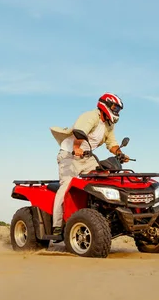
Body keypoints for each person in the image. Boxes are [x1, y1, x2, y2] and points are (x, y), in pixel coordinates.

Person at [49, 93, 129, 235]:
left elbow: (111, 143)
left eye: (118, 109)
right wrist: (76, 148)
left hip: (87, 157)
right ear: (105, 105)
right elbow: (79, 132)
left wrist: (119, 154)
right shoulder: (90, 117)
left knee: (102, 180)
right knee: (66, 186)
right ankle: (56, 225)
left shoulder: (109, 125)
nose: (116, 111)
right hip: (69, 155)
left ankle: (101, 217)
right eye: (114, 108)